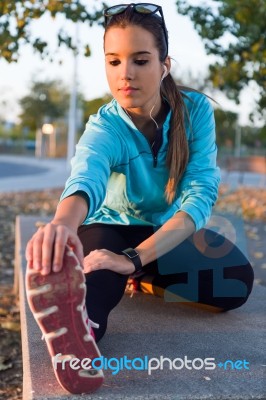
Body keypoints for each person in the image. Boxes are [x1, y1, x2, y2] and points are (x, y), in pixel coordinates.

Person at [25, 3, 254, 395]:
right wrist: (63, 225)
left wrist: (134, 260)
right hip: (108, 225)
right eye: (113, 61)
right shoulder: (105, 126)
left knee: (235, 280)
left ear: (165, 64)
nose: (125, 74)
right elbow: (85, 177)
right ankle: (78, 341)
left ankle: (138, 274)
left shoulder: (195, 112)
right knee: (99, 280)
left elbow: (198, 197)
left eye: (140, 59)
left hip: (164, 233)